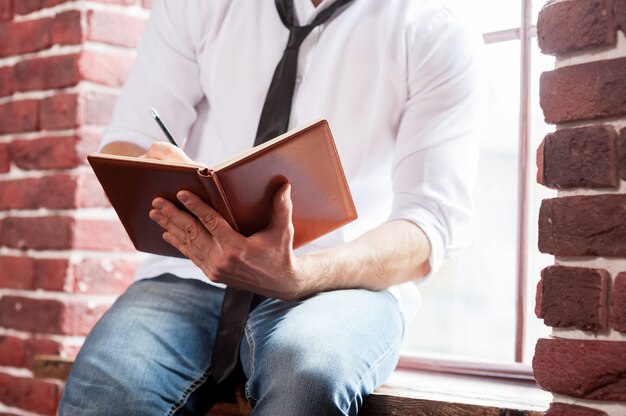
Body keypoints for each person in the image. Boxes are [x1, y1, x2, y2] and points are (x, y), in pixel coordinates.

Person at [59, 0, 479, 414]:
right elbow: (126, 140)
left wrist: (299, 276)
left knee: (308, 374)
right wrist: (151, 170)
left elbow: (428, 226)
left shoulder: (433, 24)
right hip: (191, 272)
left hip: (341, 283)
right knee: (104, 395)